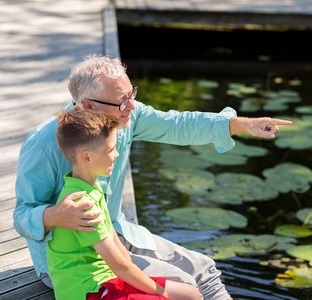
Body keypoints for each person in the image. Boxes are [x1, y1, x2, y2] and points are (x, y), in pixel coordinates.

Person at [13, 54, 292, 300]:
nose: (131, 107)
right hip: (74, 265)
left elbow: (179, 125)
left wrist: (242, 124)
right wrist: (54, 216)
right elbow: (22, 215)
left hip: (117, 233)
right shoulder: (43, 145)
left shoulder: (127, 116)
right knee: (183, 284)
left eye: (131, 95)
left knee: (206, 271)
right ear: (88, 106)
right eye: (121, 102)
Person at [49, 109, 201, 300]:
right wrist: (161, 293)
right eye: (111, 149)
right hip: (88, 290)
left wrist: (142, 281)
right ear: (86, 157)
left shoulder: (92, 188)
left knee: (191, 295)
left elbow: (117, 246)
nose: (116, 154)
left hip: (107, 279)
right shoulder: (82, 204)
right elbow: (119, 267)